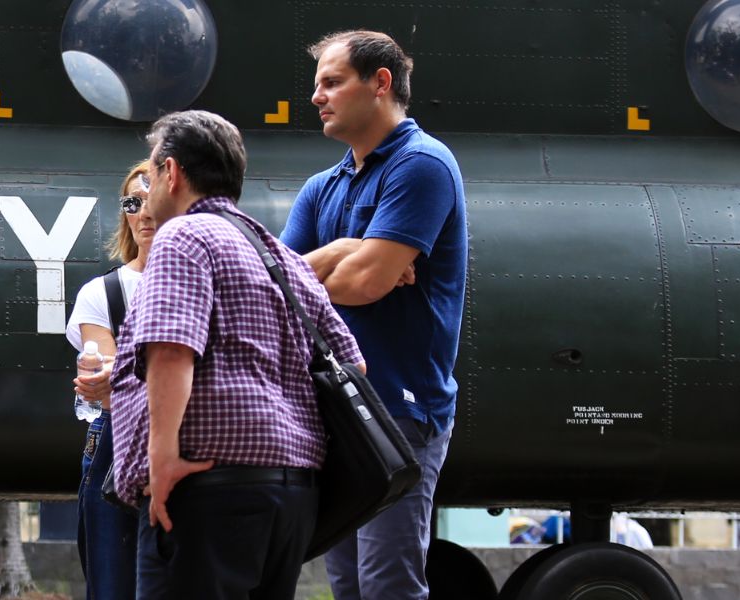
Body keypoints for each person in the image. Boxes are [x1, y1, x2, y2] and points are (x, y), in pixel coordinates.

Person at [107, 110, 365, 599]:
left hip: (206, 490)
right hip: (290, 496)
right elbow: (353, 364)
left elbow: (172, 347)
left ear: (172, 172)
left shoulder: (183, 236)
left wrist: (162, 462)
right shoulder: (281, 256)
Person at [282, 30, 469, 600]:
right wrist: (343, 251)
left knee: (387, 584)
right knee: (347, 584)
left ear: (381, 83)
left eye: (333, 82)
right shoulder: (323, 187)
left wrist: (347, 270)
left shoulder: (422, 165)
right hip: (336, 412)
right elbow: (276, 285)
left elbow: (366, 283)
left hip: (398, 413)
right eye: (318, 85)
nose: (318, 96)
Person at [65, 159, 155, 599]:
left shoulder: (206, 280)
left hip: (193, 441)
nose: (144, 213)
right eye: (132, 202)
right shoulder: (104, 292)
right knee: (111, 581)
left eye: (154, 199)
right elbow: (103, 384)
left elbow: (119, 382)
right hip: (117, 443)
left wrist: (123, 381)